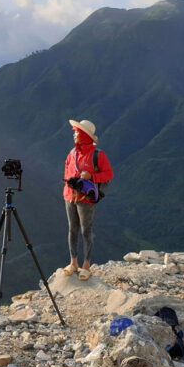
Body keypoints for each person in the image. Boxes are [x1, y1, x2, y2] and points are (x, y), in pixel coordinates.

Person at [63, 119, 113, 281]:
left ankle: (86, 265)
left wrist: (91, 176)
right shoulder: (72, 153)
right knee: (72, 229)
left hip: (86, 199)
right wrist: (68, 182)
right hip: (70, 196)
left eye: (77, 132)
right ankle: (73, 263)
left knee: (86, 231)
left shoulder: (98, 155)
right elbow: (66, 169)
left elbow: (108, 175)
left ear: (85, 135)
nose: (75, 135)